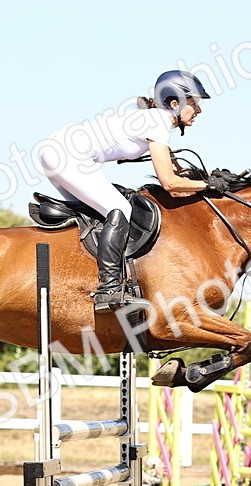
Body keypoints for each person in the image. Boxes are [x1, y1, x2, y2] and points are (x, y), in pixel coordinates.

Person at [37, 70, 232, 313]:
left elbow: (177, 172)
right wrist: (208, 186)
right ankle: (108, 289)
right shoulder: (158, 122)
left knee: (102, 213)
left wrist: (213, 178)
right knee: (120, 208)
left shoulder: (155, 120)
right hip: (66, 154)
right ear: (175, 104)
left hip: (56, 151)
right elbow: (169, 183)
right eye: (194, 103)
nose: (199, 111)